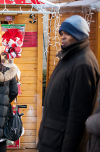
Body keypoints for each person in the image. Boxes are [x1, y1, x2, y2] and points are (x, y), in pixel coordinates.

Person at [38, 15, 100, 152]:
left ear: (79, 35)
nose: (63, 36)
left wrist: (68, 148)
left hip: (60, 143)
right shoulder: (69, 57)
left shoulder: (83, 64)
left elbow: (78, 115)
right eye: (62, 33)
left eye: (68, 33)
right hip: (51, 139)